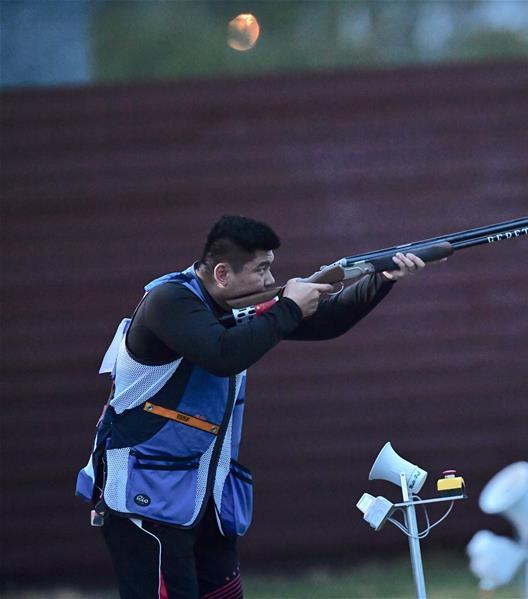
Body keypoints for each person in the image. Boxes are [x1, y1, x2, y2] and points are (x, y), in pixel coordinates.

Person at [76, 215, 428, 598]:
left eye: (269, 268)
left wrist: (383, 278)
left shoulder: (233, 306)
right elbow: (222, 354)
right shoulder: (169, 302)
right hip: (147, 500)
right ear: (223, 273)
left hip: (205, 499)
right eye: (261, 270)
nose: (267, 281)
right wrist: (289, 307)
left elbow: (328, 322)